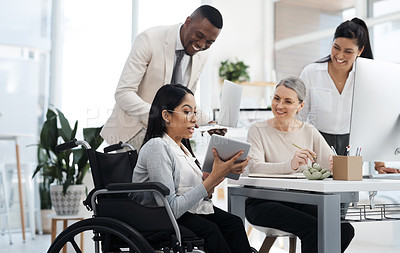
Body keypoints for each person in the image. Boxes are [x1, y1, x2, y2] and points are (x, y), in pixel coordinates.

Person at [132, 84, 255, 253]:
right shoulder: (157, 147)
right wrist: (210, 180)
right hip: (160, 216)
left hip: (185, 211)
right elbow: (171, 208)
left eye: (194, 112)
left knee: (233, 223)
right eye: (187, 111)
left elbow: (202, 194)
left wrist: (220, 173)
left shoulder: (182, 148)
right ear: (166, 115)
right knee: (211, 231)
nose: (194, 119)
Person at [245, 77, 354, 253]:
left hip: (299, 201)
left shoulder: (309, 131)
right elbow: (256, 167)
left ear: (300, 106)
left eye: (288, 101)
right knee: (312, 228)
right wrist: (291, 165)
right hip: (262, 203)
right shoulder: (258, 129)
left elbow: (330, 163)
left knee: (344, 229)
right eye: (276, 98)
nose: (279, 106)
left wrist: (336, 165)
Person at [101, 5, 223, 150]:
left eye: (209, 42)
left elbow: (187, 101)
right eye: (199, 36)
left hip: (167, 140)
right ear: (188, 22)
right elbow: (123, 92)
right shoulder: (149, 39)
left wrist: (208, 123)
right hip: (131, 136)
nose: (202, 44)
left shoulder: (201, 56)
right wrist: (160, 118)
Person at [298, 17, 396, 174]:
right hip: (316, 142)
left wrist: (380, 165)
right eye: (336, 47)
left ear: (360, 51)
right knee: (316, 193)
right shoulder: (311, 72)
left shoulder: (367, 78)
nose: (340, 55)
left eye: (348, 51)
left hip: (351, 146)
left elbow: (373, 121)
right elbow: (298, 116)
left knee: (345, 196)